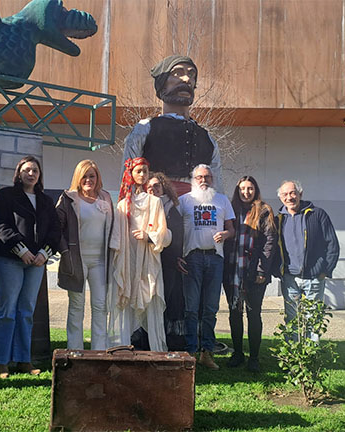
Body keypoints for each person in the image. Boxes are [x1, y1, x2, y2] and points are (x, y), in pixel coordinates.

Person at [0, 155, 60, 378]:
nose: (31, 174)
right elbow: (2, 226)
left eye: (35, 171)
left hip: (37, 263)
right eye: (27, 170)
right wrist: (21, 250)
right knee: (7, 311)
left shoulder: (46, 201)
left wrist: (44, 253)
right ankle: (1, 362)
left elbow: (55, 231)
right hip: (9, 260)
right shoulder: (6, 195)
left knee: (26, 311)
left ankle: (23, 360)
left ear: (40, 175)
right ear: (19, 173)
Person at [122, 54, 222, 195]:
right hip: (156, 204)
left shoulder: (207, 139)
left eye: (191, 74)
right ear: (162, 84)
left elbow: (218, 188)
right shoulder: (145, 129)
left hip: (197, 206)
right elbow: (128, 180)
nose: (186, 79)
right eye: (177, 73)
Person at [108, 157, 170, 352]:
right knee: (125, 296)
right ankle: (121, 349)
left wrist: (148, 236)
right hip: (128, 258)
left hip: (148, 259)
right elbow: (115, 237)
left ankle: (156, 350)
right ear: (131, 174)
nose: (142, 175)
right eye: (138, 171)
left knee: (149, 296)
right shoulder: (123, 205)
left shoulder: (155, 202)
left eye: (145, 171)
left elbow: (164, 234)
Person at [178, 164, 235, 370]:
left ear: (213, 179)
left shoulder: (222, 200)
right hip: (191, 258)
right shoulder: (184, 201)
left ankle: (207, 352)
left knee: (210, 308)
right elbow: (174, 229)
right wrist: (177, 256)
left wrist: (225, 234)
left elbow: (232, 229)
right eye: (200, 177)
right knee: (191, 309)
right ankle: (191, 352)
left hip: (215, 258)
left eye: (207, 177)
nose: (204, 180)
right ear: (193, 179)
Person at [55, 160, 114, 350]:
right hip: (76, 261)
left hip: (100, 261)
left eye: (92, 176)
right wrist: (65, 251)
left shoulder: (106, 197)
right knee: (76, 306)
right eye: (84, 176)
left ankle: (99, 351)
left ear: (98, 178)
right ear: (78, 178)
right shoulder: (68, 198)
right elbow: (56, 229)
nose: (88, 180)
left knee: (100, 306)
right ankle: (75, 351)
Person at [274, 180, 340, 342]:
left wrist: (324, 271)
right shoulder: (278, 220)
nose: (289, 197)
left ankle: (311, 354)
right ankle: (294, 355)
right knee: (292, 320)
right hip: (289, 278)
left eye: (292, 193)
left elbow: (332, 244)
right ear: (280, 197)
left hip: (314, 277)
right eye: (285, 194)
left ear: (300, 194)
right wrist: (278, 271)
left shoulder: (317, 214)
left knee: (313, 319)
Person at [223, 176, 276, 372]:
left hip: (254, 272)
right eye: (242, 189)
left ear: (256, 190)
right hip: (232, 271)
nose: (246, 192)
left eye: (250, 188)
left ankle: (254, 357)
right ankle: (238, 353)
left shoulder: (264, 210)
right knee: (234, 313)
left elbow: (269, 243)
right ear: (237, 191)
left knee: (254, 314)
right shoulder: (230, 209)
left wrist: (262, 270)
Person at [146, 172, 186, 351]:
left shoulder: (171, 209)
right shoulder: (143, 207)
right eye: (149, 186)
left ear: (164, 188)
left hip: (167, 263)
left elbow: (177, 237)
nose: (153, 189)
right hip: (147, 261)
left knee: (166, 301)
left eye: (156, 186)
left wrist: (176, 257)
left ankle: (165, 340)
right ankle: (147, 339)